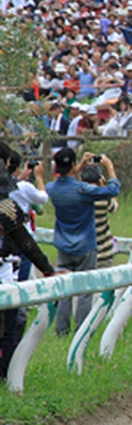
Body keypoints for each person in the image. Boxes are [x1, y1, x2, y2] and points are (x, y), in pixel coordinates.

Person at [46, 149, 121, 338]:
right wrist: (109, 167)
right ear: (73, 165)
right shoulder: (84, 190)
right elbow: (113, 191)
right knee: (85, 292)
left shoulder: (52, 189)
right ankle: (82, 331)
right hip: (86, 246)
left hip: (63, 245)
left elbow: (64, 182)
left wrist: (78, 167)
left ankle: (61, 331)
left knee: (65, 290)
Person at [0, 143, 56, 379]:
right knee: (10, 328)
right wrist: (48, 270)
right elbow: (25, 242)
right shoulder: (6, 206)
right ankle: (6, 378)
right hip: (4, 274)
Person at [79, 165, 119, 269]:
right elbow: (115, 207)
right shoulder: (102, 199)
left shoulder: (77, 198)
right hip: (104, 254)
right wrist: (105, 187)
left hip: (83, 254)